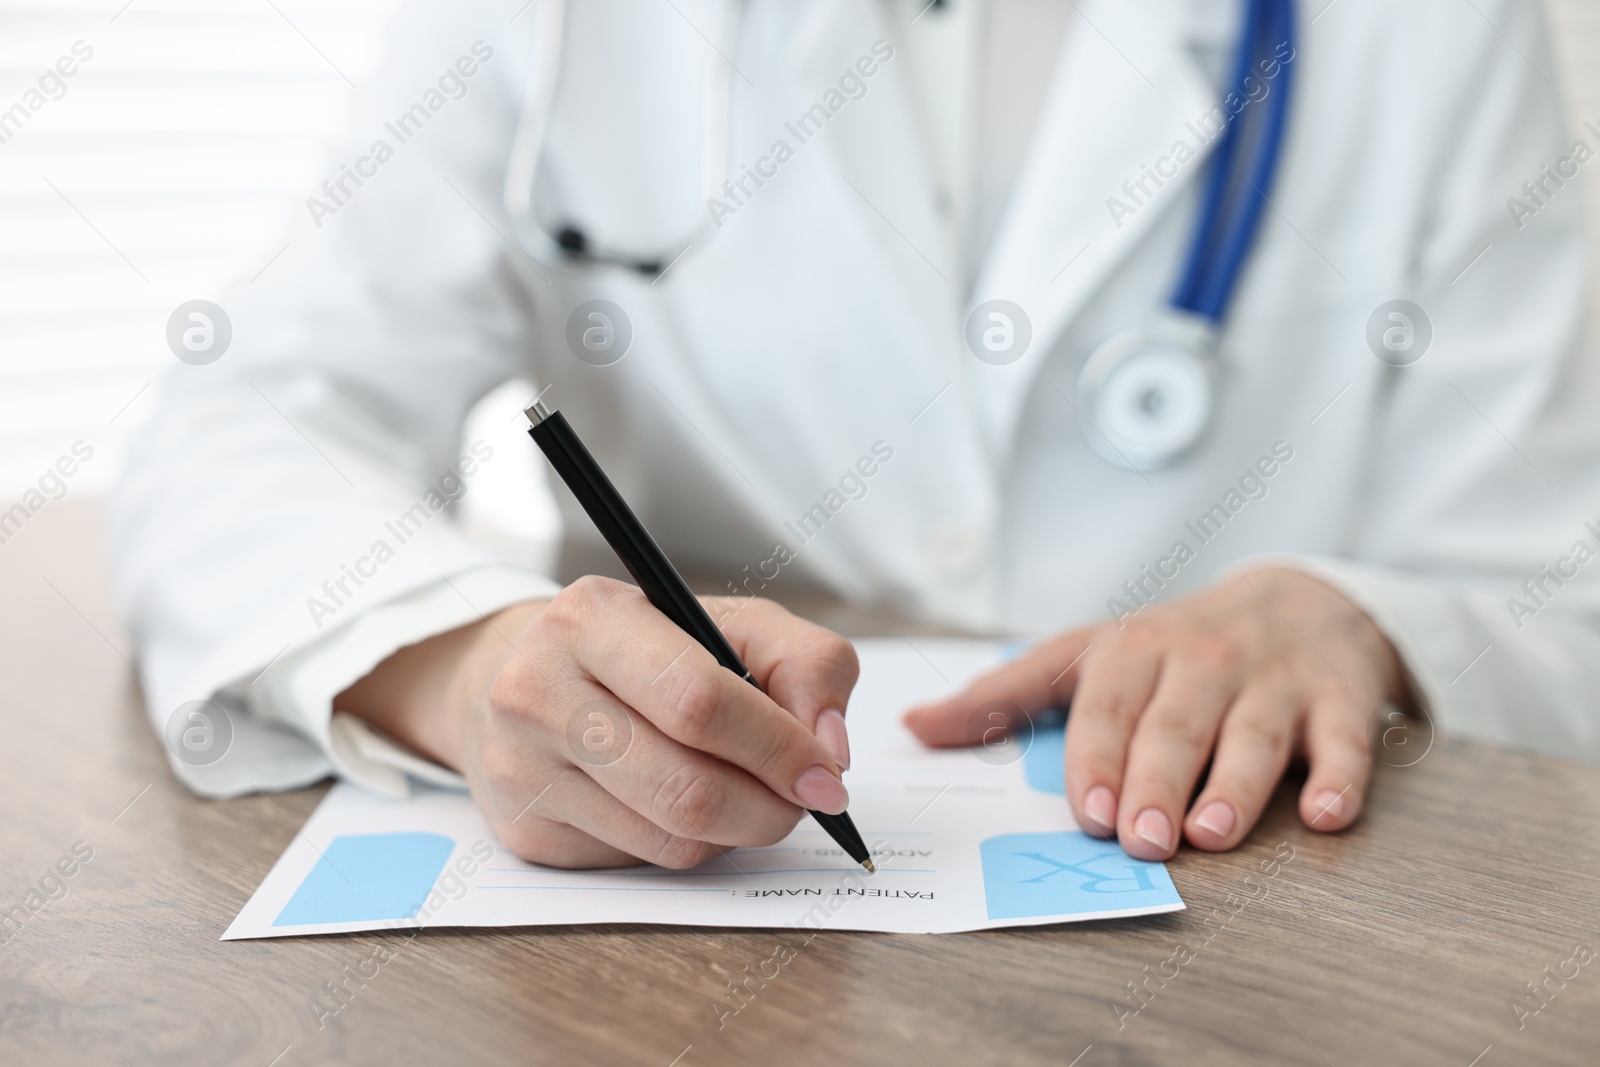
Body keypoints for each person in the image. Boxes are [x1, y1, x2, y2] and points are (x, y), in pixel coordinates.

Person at [111, 0, 1600, 871]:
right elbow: (248, 411)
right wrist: (449, 660)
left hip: (1252, 901)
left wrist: (1363, 620)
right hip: (688, 933)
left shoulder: (1435, 29)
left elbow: (1560, 585)